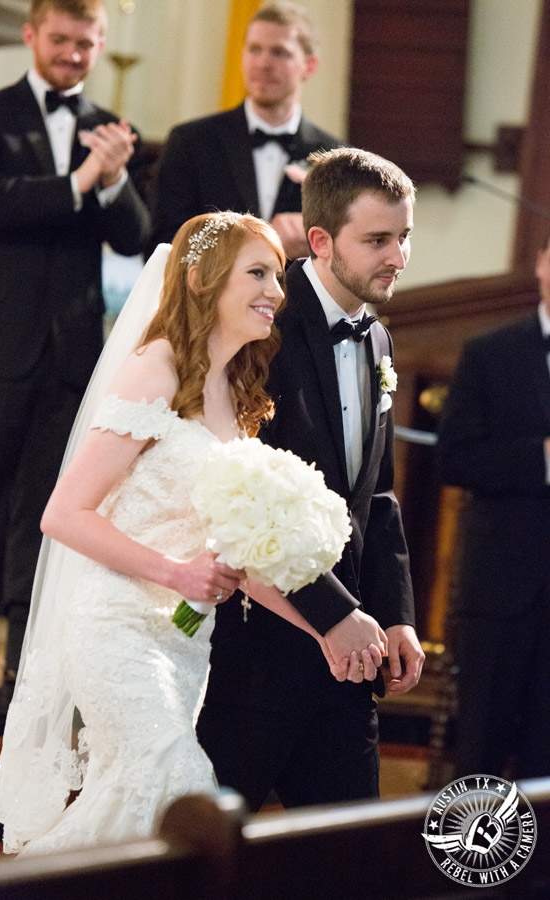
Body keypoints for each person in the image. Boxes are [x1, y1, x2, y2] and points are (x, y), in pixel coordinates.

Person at [0, 211, 375, 855]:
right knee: (173, 785)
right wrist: (177, 573)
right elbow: (63, 514)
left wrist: (326, 630)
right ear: (201, 279)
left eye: (278, 276)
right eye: (257, 273)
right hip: (115, 626)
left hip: (183, 641)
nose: (276, 291)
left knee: (137, 806)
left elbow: (242, 559)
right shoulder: (155, 368)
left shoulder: (235, 392)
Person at [197, 148, 425, 811]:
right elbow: (242, 499)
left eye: (404, 236)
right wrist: (332, 617)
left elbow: (376, 495)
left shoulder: (376, 339)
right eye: (378, 239)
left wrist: (397, 616)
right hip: (253, 658)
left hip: (350, 664)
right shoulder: (256, 327)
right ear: (321, 240)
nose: (398, 256)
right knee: (210, 862)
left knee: (346, 861)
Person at [0, 0, 151, 703]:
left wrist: (118, 177)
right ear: (33, 35)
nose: (72, 53)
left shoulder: (110, 131)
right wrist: (79, 184)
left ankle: (25, 673)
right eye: (60, 39)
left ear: (100, 45)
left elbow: (135, 236)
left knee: (47, 514)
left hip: (71, 355)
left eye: (85, 43)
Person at [437, 235, 550, 780]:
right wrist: (543, 461)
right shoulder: (491, 352)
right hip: (502, 586)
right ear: (541, 261)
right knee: (479, 745)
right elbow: (454, 458)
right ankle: (467, 864)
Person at [147, 1, 340, 260]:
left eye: (279, 52)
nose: (263, 63)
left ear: (310, 65)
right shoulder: (191, 142)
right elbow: (164, 247)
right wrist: (262, 246)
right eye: (254, 49)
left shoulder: (335, 157)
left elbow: (347, 258)